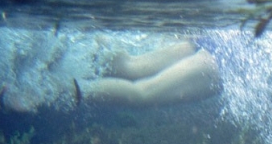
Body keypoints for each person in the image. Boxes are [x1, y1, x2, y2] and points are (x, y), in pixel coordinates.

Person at [78, 40, 222, 107]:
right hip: (221, 66)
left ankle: (79, 50)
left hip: (214, 42)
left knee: (128, 65)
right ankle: (66, 89)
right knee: (142, 94)